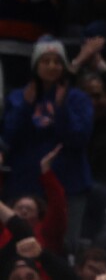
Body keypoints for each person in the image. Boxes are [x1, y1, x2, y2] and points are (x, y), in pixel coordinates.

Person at [2, 38, 94, 246]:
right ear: (35, 65)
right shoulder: (18, 97)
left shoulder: (78, 99)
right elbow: (8, 137)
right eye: (46, 61)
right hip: (25, 184)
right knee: (18, 243)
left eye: (57, 61)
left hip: (68, 183)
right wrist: (26, 106)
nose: (52, 66)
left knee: (64, 245)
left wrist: (62, 109)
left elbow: (79, 138)